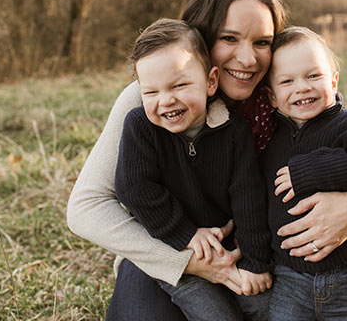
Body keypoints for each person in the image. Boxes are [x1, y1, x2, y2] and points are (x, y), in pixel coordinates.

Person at [66, 0, 347, 320]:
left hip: (254, 255)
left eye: (262, 42)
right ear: (202, 38)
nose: (247, 59)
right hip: (162, 251)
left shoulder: (283, 93)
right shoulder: (154, 97)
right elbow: (86, 206)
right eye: (229, 38)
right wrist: (191, 262)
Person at [114, 18, 271, 320]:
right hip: (176, 252)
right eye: (151, 92)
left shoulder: (234, 131)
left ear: (210, 82)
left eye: (179, 85)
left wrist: (256, 262)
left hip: (229, 247)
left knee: (263, 305)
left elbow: (248, 197)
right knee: (216, 314)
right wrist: (185, 233)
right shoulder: (140, 127)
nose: (166, 100)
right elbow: (134, 188)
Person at [262, 26, 347, 320]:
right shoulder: (269, 138)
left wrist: (312, 168)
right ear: (271, 97)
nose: (303, 87)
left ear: (333, 81)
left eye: (314, 76)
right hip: (289, 279)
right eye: (287, 81)